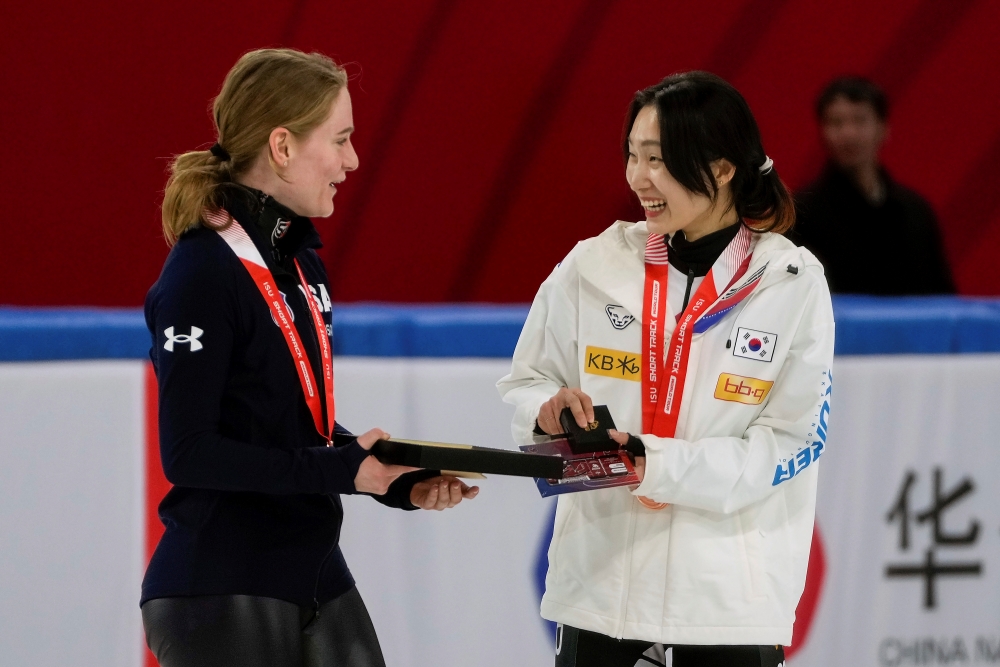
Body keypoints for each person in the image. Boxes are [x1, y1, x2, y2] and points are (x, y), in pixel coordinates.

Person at [141, 48, 478, 667]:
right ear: (283, 146)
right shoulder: (201, 274)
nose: (353, 161)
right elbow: (188, 453)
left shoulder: (301, 264)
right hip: (221, 581)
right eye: (341, 139)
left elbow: (288, 428)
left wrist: (387, 474)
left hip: (312, 567)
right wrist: (340, 470)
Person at [498, 71, 834, 667]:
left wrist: (656, 464)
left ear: (724, 167)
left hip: (724, 602)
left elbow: (791, 442)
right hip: (601, 593)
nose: (637, 178)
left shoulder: (791, 283)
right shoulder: (592, 265)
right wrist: (545, 412)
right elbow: (526, 383)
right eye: (631, 155)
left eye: (657, 159)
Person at [794, 76, 955, 294]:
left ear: (883, 128)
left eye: (860, 121)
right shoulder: (802, 214)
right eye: (836, 123)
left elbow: (941, 296)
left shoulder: (915, 212)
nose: (848, 133)